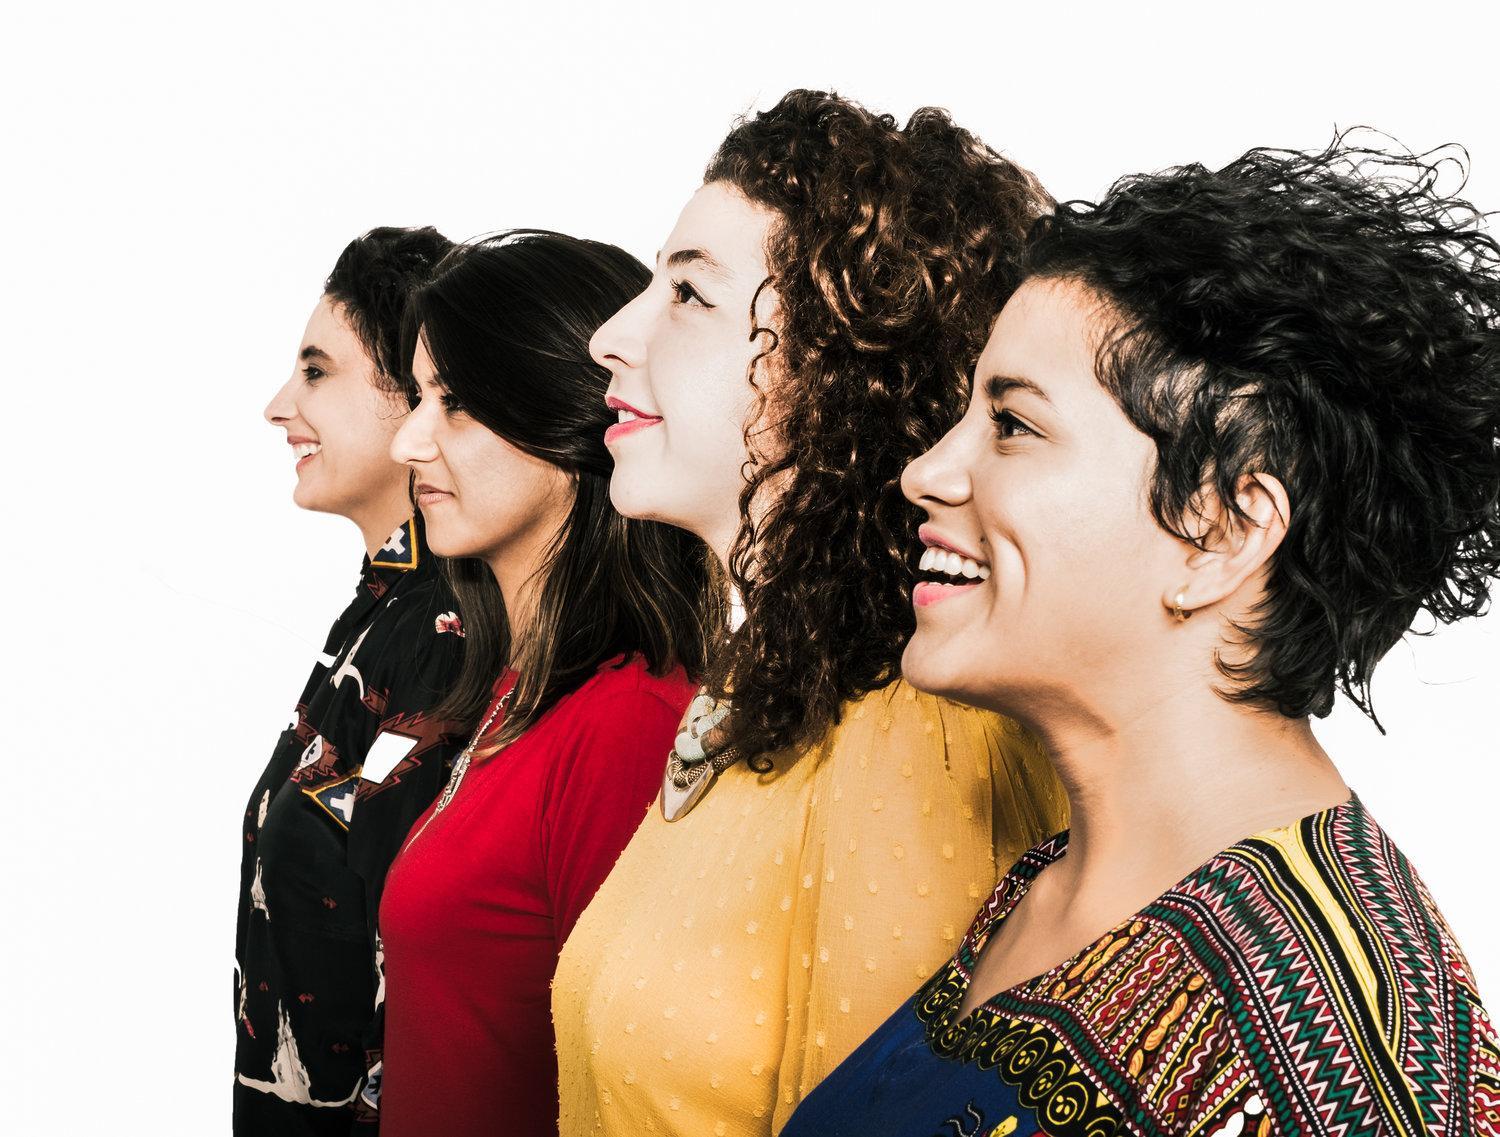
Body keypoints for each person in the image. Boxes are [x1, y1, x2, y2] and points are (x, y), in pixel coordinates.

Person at [782, 137, 1500, 1136]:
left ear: (1225, 531)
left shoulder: (1345, 1045)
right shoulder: (1047, 885)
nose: (926, 473)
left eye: (1013, 426)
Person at [554, 90, 1068, 1137]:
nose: (610, 336)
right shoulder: (765, 683)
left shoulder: (925, 741)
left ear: (841, 368)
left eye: (687, 293)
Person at [375, 231, 717, 1136]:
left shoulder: (627, 722)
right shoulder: (516, 690)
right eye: (417, 397)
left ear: (565, 413)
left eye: (453, 403)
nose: (409, 440)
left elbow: (627, 1087)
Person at [236, 226, 463, 1134]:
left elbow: (414, 962)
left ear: (416, 394)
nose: (278, 406)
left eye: (316, 371)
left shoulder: (448, 634)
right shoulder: (381, 610)